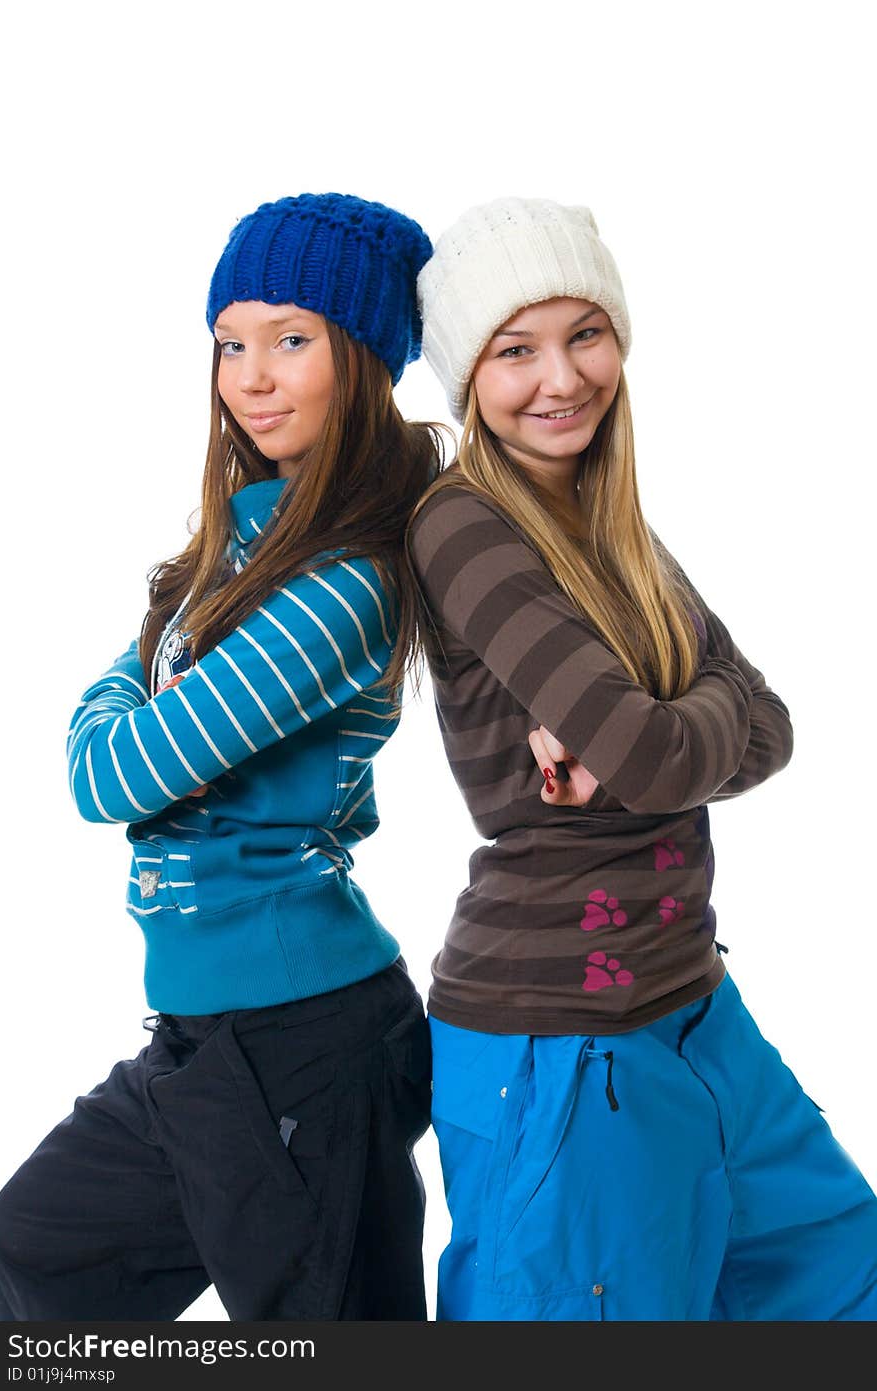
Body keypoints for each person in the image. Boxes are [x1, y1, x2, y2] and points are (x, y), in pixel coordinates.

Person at [407, 196, 877, 1321]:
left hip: (694, 1007)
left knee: (840, 1274)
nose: (560, 377)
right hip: (556, 1045)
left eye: (585, 332)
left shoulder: (609, 521)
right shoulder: (463, 522)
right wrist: (665, 721)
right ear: (469, 375)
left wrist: (663, 716)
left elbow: (769, 724)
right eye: (515, 350)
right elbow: (664, 757)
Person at [0, 192, 439, 1321]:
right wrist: (142, 675)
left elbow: (113, 770)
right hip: (202, 1046)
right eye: (230, 342)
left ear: (363, 360)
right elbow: (124, 701)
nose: (251, 373)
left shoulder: (346, 580)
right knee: (27, 1267)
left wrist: (138, 683)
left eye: (291, 339)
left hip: (303, 1045)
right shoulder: (241, 544)